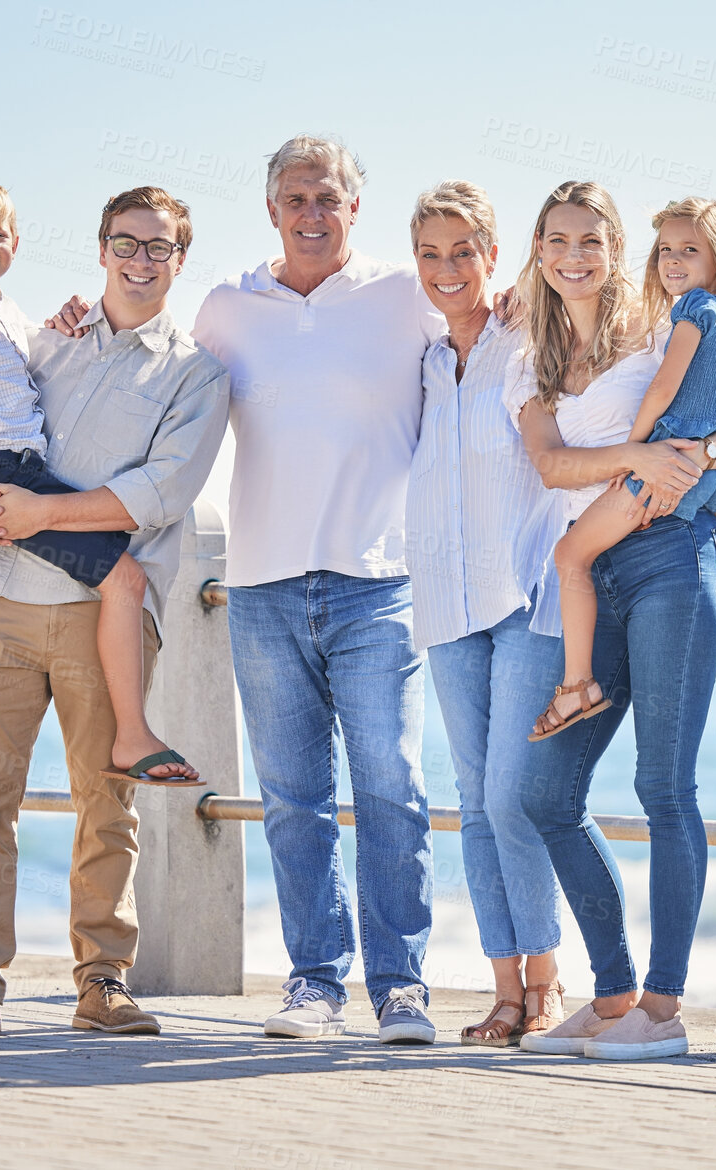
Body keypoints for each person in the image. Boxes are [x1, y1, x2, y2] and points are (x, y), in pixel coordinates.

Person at [0, 186, 229, 1039]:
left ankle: (103, 980)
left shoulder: (197, 374)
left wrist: (45, 512)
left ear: (180, 258)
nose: (140, 259)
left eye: (159, 248)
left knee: (106, 803)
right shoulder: (43, 339)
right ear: (101, 249)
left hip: (104, 613)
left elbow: (159, 494)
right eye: (126, 243)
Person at [506, 181, 716, 1061]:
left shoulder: (659, 326)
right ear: (539, 249)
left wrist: (702, 453)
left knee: (665, 788)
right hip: (603, 573)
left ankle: (662, 1012)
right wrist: (638, 454)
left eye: (593, 239)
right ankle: (615, 990)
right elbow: (550, 464)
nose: (574, 254)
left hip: (673, 560)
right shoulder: (535, 355)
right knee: (545, 794)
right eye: (557, 240)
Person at [195, 136, 444, 1045]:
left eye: (328, 198)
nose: (312, 213)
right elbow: (155, 385)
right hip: (259, 584)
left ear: (353, 207)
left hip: (379, 580)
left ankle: (402, 987)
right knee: (293, 795)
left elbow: (497, 352)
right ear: (271, 209)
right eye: (296, 198)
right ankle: (314, 984)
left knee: (392, 786)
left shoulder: (404, 294)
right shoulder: (227, 306)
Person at [0, 180, 196, 787]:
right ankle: (133, 735)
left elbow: (160, 492)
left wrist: (56, 329)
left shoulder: (7, 314)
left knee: (126, 575)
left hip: (18, 470)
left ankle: (130, 735)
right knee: (126, 576)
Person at [405, 181, 572, 1045]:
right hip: (442, 603)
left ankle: (545, 980)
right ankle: (503, 989)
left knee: (513, 795)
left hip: (523, 597)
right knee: (473, 801)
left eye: (463, 252)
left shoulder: (528, 339)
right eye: (430, 253)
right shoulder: (423, 360)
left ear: (492, 256)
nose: (447, 269)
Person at [530, 196, 716, 746]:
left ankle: (577, 685)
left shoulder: (687, 314)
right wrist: (710, 454)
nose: (672, 261)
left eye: (689, 250)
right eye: (666, 250)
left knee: (571, 553)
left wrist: (637, 449)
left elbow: (673, 390)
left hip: (668, 464)